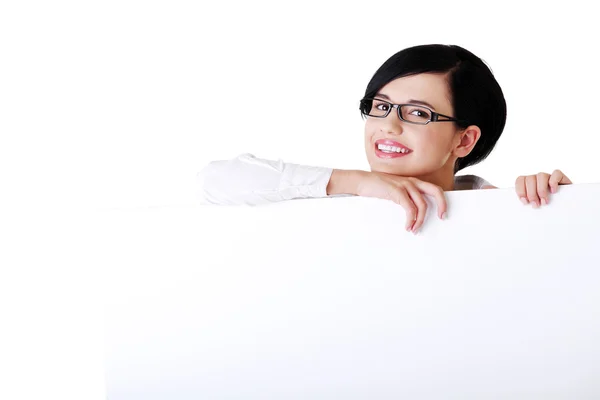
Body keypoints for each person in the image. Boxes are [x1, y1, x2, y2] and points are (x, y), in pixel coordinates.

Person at [197, 44, 572, 233]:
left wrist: (567, 207)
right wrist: (359, 182)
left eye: (417, 113)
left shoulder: (505, 211)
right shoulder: (335, 198)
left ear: (464, 141)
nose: (388, 127)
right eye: (380, 107)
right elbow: (216, 181)